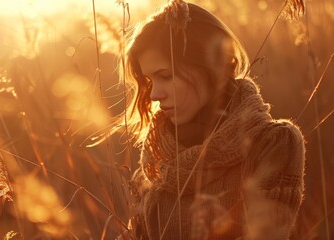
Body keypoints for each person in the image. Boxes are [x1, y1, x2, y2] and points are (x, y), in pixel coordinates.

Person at [120, 0, 306, 239]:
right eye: (150, 81)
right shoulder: (156, 157)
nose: (154, 94)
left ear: (211, 65)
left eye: (165, 76)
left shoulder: (273, 144)